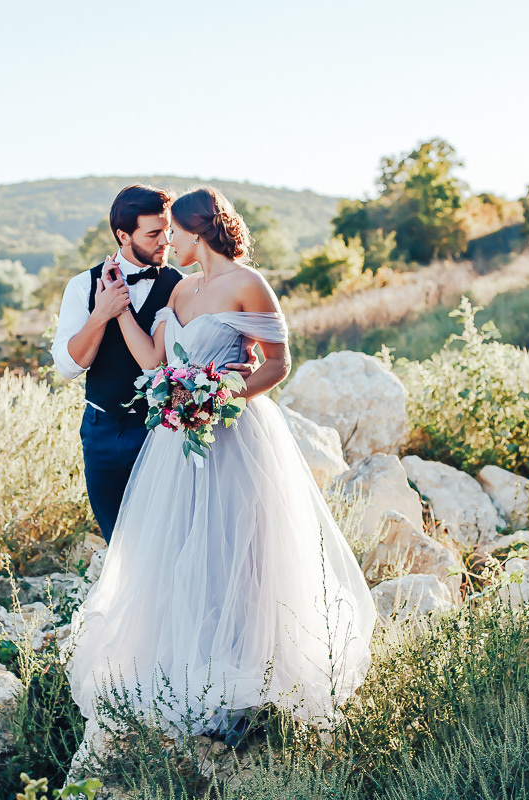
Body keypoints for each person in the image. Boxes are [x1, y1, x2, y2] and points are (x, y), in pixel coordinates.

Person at [66, 187, 376, 739]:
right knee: (182, 549)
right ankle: (192, 667)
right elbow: (153, 360)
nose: (168, 241)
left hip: (235, 434)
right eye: (160, 232)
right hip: (176, 442)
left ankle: (252, 671)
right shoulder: (180, 290)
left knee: (240, 548)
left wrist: (222, 396)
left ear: (197, 233)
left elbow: (278, 363)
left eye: (174, 232)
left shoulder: (248, 284)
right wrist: (116, 311)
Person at [50, 184, 256, 543]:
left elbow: (206, 342)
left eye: (168, 230)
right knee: (118, 543)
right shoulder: (83, 286)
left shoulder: (183, 287)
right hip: (102, 432)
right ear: (123, 236)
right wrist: (101, 314)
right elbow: (68, 368)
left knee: (164, 542)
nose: (165, 241)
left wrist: (240, 359)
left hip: (163, 433)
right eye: (153, 234)